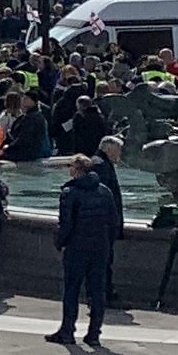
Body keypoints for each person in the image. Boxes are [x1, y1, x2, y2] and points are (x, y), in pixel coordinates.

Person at [52, 141, 123, 343]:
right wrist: (107, 245)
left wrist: (60, 242)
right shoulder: (105, 191)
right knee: (97, 291)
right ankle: (94, 334)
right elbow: (113, 221)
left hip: (77, 247)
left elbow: (66, 224)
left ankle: (67, 331)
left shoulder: (70, 193)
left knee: (72, 290)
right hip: (100, 248)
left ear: (76, 170)